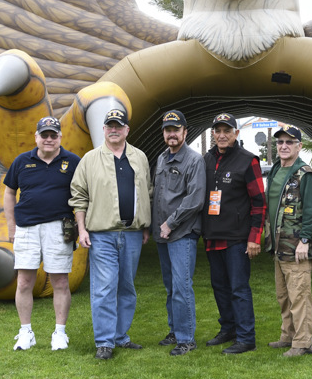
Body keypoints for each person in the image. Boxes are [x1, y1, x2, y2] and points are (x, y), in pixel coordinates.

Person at [69, 108, 152, 360]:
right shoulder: (89, 159)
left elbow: (147, 192)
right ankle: (104, 342)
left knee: (126, 287)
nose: (114, 129)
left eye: (119, 125)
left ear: (127, 130)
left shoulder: (140, 157)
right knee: (104, 288)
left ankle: (121, 337)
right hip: (101, 234)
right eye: (109, 126)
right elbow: (78, 196)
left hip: (132, 234)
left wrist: (145, 225)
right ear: (103, 130)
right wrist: (81, 229)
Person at [4, 116, 81, 352]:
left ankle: (60, 333)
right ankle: (26, 332)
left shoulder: (73, 162)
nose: (49, 139)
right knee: (25, 281)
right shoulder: (21, 161)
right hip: (26, 227)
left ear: (60, 137)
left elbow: (82, 196)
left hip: (60, 227)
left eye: (53, 135)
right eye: (44, 135)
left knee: (60, 281)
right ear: (36, 137)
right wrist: (11, 226)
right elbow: (9, 193)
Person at [202, 113, 267, 354]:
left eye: (227, 131)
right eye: (217, 130)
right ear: (213, 134)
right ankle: (228, 328)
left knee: (239, 288)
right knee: (219, 286)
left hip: (237, 238)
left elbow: (259, 202)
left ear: (236, 134)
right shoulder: (206, 159)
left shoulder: (248, 161)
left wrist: (254, 237)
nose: (222, 135)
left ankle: (246, 337)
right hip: (212, 235)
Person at [152, 110, 206, 356]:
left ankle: (186, 339)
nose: (171, 134)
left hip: (181, 233)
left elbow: (195, 200)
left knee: (182, 285)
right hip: (162, 234)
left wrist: (170, 224)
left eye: (176, 129)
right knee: (170, 285)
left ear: (185, 132)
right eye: (167, 130)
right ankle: (174, 330)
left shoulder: (194, 160)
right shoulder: (162, 158)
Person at [264, 125, 312, 357]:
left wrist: (305, 241)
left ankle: (303, 343)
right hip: (279, 246)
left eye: (290, 142)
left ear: (299, 146)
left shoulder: (304, 173)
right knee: (283, 295)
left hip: (296, 245)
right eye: (280, 142)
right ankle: (288, 335)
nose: (284, 146)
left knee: (300, 295)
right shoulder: (277, 168)